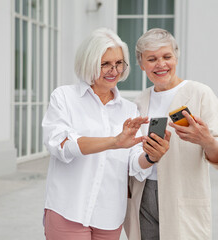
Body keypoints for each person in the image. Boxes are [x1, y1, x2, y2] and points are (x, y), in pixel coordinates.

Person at [42, 28, 171, 240]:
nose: (114, 70)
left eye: (119, 63)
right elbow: (60, 145)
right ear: (89, 62)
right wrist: (113, 142)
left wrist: (151, 156)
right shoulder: (64, 97)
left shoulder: (129, 109)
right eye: (105, 64)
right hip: (68, 209)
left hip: (109, 215)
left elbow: (133, 162)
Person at [124, 28, 218, 240]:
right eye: (152, 59)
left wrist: (206, 141)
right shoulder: (139, 102)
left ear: (176, 57)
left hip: (183, 193)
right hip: (144, 195)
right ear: (141, 64)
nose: (161, 64)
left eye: (167, 57)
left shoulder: (200, 93)